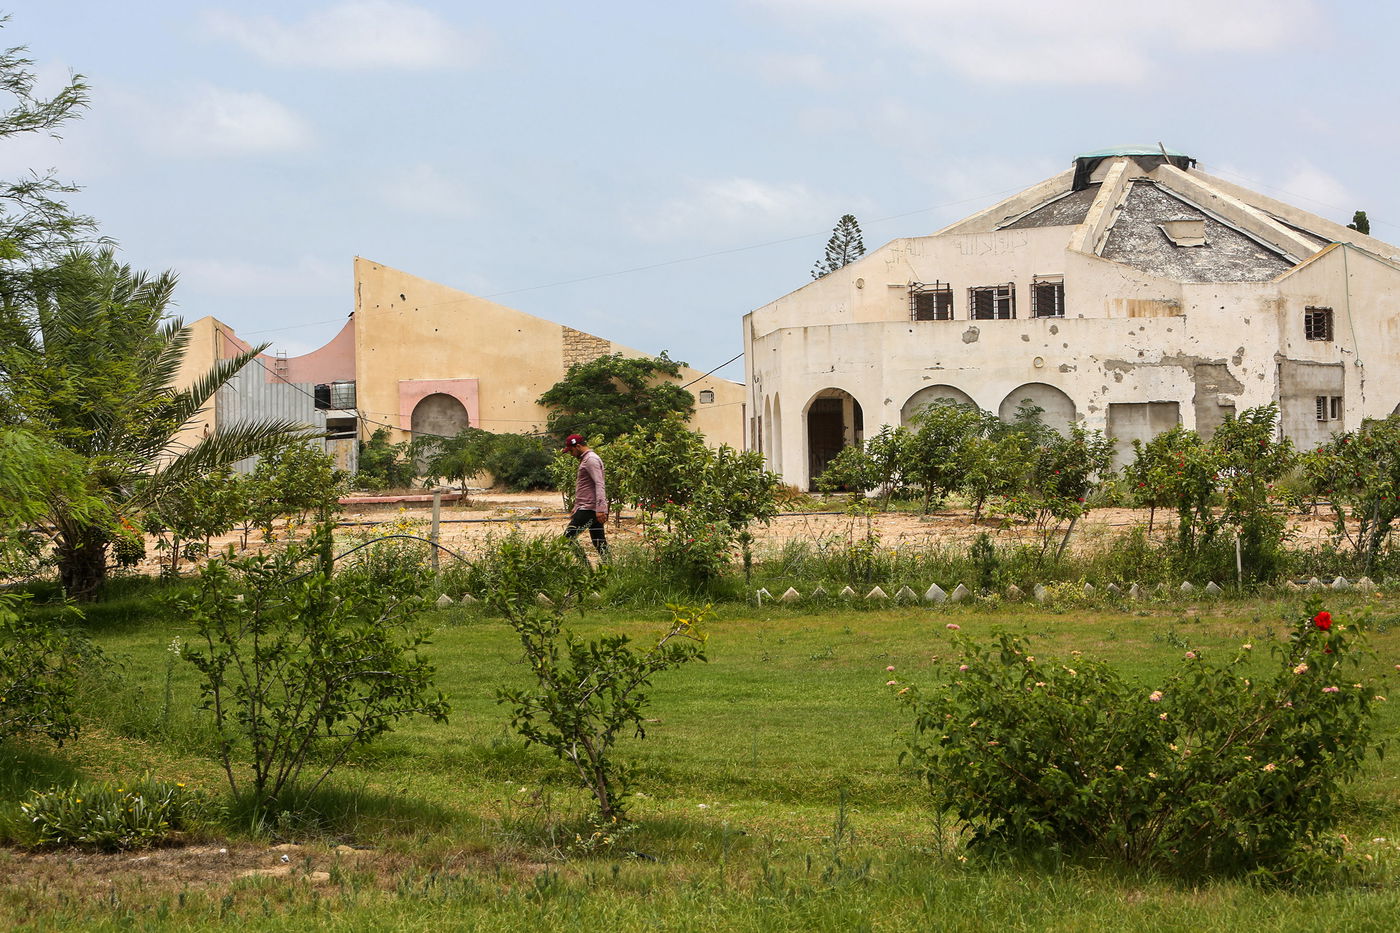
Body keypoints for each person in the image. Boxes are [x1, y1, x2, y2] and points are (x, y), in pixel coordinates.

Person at [562, 433, 609, 558]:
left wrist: (601, 509)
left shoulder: (591, 460)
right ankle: (610, 570)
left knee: (567, 538)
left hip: (589, 509)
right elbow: (585, 487)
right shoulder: (587, 459)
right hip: (588, 507)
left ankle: (585, 567)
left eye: (571, 451)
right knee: (599, 542)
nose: (571, 454)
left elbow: (599, 484)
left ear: (577, 446)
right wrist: (576, 507)